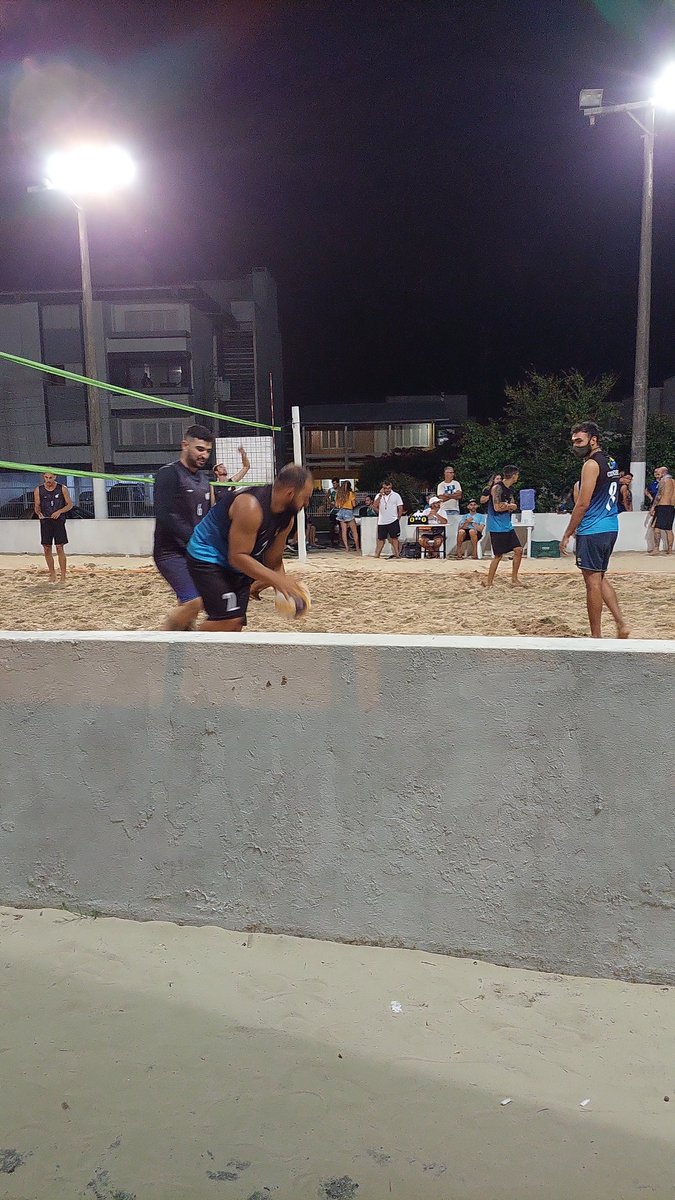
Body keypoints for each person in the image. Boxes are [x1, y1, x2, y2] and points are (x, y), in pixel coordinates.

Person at [185, 464, 314, 631]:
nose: (307, 503)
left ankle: (187, 623)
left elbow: (273, 561)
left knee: (236, 624)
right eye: (305, 497)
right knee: (228, 621)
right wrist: (279, 581)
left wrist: (284, 590)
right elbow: (237, 556)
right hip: (207, 555)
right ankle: (186, 648)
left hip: (236, 564)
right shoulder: (251, 506)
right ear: (290, 493)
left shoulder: (287, 519)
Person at [559, 421, 629, 639]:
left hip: (592, 529)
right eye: (573, 441)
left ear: (593, 439)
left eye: (579, 441)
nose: (575, 446)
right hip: (610, 526)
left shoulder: (590, 465)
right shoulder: (610, 461)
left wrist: (568, 532)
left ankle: (596, 637)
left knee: (591, 584)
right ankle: (621, 624)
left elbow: (582, 503)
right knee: (599, 578)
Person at [153, 424, 215, 630]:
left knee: (196, 604)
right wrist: (194, 540)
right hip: (170, 551)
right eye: (200, 449)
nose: (204, 455)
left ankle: (183, 643)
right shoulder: (169, 474)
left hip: (195, 551)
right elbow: (164, 514)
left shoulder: (204, 480)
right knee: (194, 601)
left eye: (208, 451)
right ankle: (162, 641)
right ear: (185, 445)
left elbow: (207, 517)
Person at [483, 465, 523, 588]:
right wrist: (509, 506)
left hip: (507, 525)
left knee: (518, 550)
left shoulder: (510, 489)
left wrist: (509, 505)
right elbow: (497, 507)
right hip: (496, 526)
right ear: (514, 475)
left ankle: (514, 579)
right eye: (517, 475)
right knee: (498, 556)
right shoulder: (497, 488)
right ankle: (489, 582)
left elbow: (512, 504)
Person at [33, 472, 73, 582]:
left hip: (58, 520)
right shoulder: (39, 489)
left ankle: (63, 575)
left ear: (55, 477)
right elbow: (37, 506)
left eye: (50, 477)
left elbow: (69, 504)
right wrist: (39, 513)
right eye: (46, 477)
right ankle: (52, 574)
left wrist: (59, 511)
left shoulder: (62, 488)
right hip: (45, 521)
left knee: (60, 547)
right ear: (43, 477)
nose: (48, 480)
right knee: (46, 548)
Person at [373, 480, 403, 558]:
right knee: (381, 539)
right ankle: (377, 554)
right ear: (383, 488)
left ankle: (397, 554)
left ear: (391, 487)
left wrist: (398, 518)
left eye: (389, 488)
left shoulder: (396, 495)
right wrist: (380, 495)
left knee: (395, 538)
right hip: (382, 521)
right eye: (385, 488)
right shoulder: (379, 495)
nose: (387, 490)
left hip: (393, 520)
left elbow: (400, 507)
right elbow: (374, 506)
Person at [652, 465, 675, 554]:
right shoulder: (673, 481)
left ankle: (656, 548)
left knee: (656, 528)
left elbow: (659, 495)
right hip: (671, 506)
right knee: (668, 529)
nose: (658, 474)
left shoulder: (663, 481)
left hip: (662, 505)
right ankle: (670, 550)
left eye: (659, 472)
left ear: (664, 473)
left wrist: (653, 507)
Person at [335, 480, 360, 552]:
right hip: (348, 511)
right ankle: (357, 547)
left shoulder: (338, 494)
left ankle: (346, 547)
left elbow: (336, 505)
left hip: (341, 511)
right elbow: (354, 504)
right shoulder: (351, 494)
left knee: (344, 531)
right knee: (354, 531)